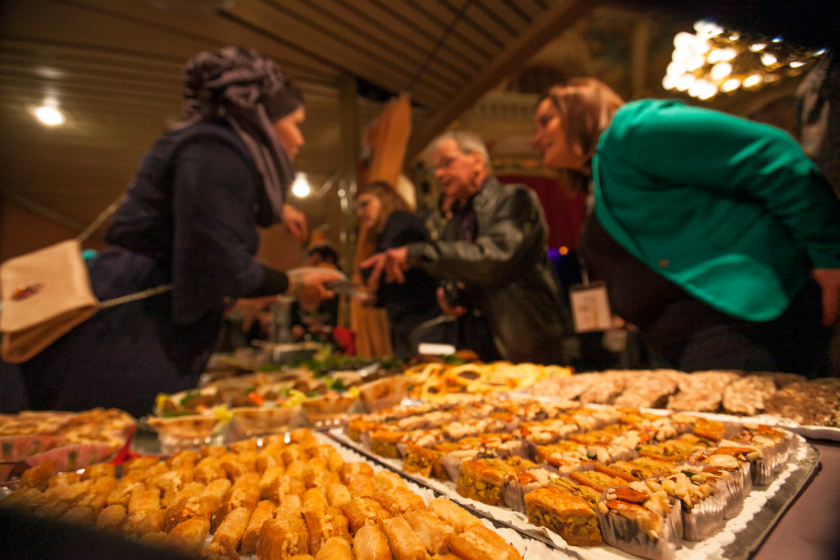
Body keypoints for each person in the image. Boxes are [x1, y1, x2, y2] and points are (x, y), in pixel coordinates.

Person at [19, 46, 339, 417]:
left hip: (133, 315)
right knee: (106, 446)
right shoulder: (216, 147)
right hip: (131, 327)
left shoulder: (207, 145)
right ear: (261, 115)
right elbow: (217, 263)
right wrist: (294, 284)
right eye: (296, 123)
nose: (300, 139)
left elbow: (195, 227)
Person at [533, 77, 840, 377]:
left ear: (580, 110)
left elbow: (770, 152)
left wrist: (829, 254)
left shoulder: (631, 129)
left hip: (739, 323)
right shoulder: (598, 181)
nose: (537, 139)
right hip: (681, 339)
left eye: (546, 121)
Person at [362, 132, 570, 364]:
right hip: (479, 350)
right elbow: (465, 276)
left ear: (477, 161)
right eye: (435, 169)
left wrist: (415, 252)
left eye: (447, 163)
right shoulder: (455, 222)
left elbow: (493, 259)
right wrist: (451, 294)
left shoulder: (515, 199)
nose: (439, 174)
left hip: (527, 343)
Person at [356, 181, 439, 359]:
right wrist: (378, 298)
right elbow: (404, 279)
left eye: (365, 204)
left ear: (384, 199)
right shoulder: (392, 227)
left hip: (423, 322)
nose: (360, 213)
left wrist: (367, 275)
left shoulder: (400, 220)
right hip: (413, 321)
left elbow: (375, 270)